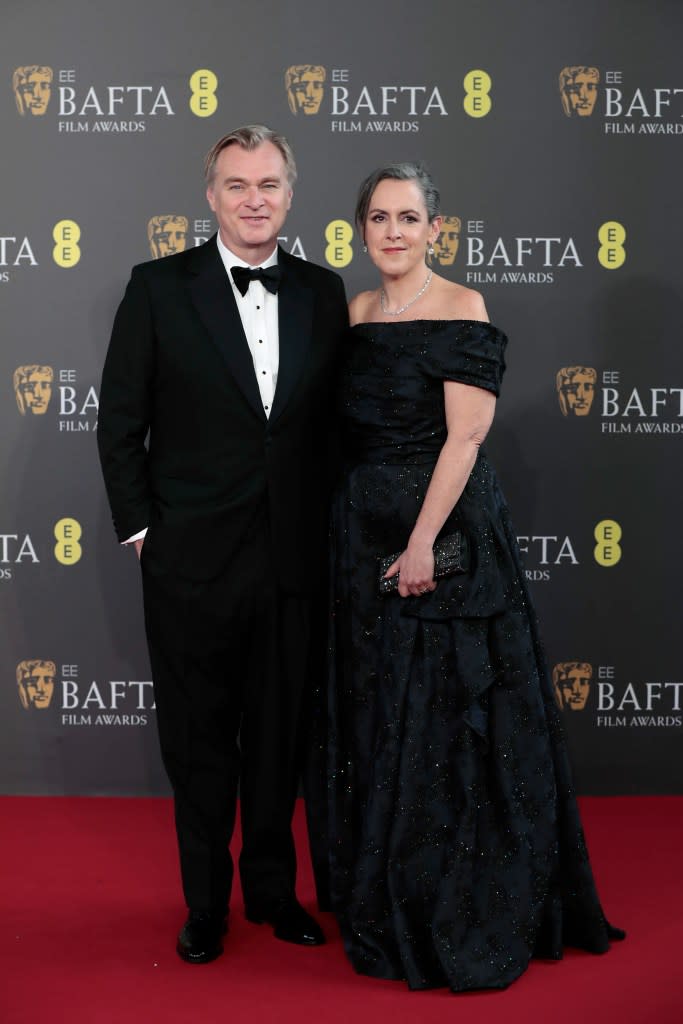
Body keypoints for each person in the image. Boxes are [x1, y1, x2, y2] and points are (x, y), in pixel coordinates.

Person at [323, 162, 623, 990]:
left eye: (408, 217)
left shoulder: (464, 309)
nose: (393, 231)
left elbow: (462, 441)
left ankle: (448, 895)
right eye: (378, 217)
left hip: (443, 539)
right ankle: (387, 881)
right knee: (386, 715)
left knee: (445, 716)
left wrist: (421, 545)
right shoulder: (354, 312)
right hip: (360, 541)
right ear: (360, 229)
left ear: (434, 229)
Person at [97, 124, 348, 965]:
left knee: (278, 739)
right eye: (237, 184)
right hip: (190, 565)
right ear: (210, 196)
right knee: (200, 744)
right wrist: (141, 534)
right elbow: (120, 422)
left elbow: (327, 431)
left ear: (289, 193)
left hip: (291, 559)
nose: (253, 199)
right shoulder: (158, 287)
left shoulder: (322, 290)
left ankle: (273, 895)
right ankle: (205, 905)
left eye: (269, 184)